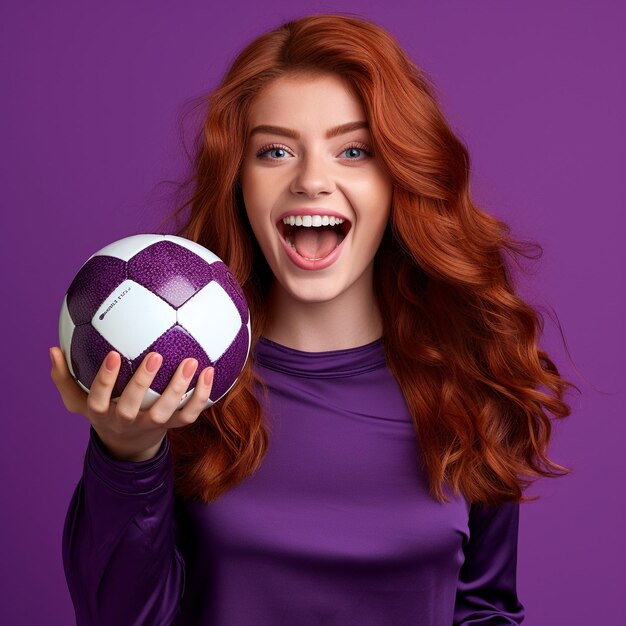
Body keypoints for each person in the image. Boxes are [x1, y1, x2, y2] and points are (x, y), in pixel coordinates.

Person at [50, 13, 574, 626]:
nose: (312, 181)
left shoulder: (473, 384)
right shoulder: (176, 384)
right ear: (239, 181)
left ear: (398, 176)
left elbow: (486, 611)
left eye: (353, 151)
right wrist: (128, 452)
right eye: (275, 151)